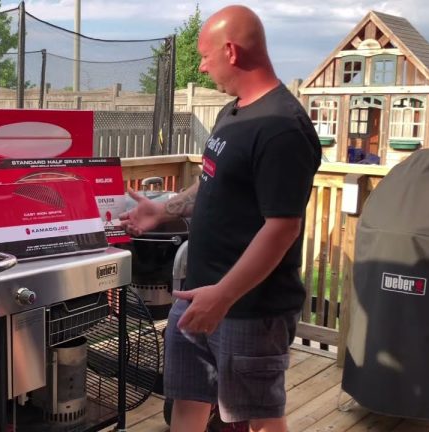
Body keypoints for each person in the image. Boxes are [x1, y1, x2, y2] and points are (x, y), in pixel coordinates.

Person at [120, 5, 321, 432]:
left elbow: (283, 227)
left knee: (259, 418)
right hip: (197, 293)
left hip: (249, 308)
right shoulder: (234, 112)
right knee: (187, 403)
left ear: (230, 51)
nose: (201, 64)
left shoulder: (282, 128)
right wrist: (164, 208)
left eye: (205, 54)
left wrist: (224, 295)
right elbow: (213, 182)